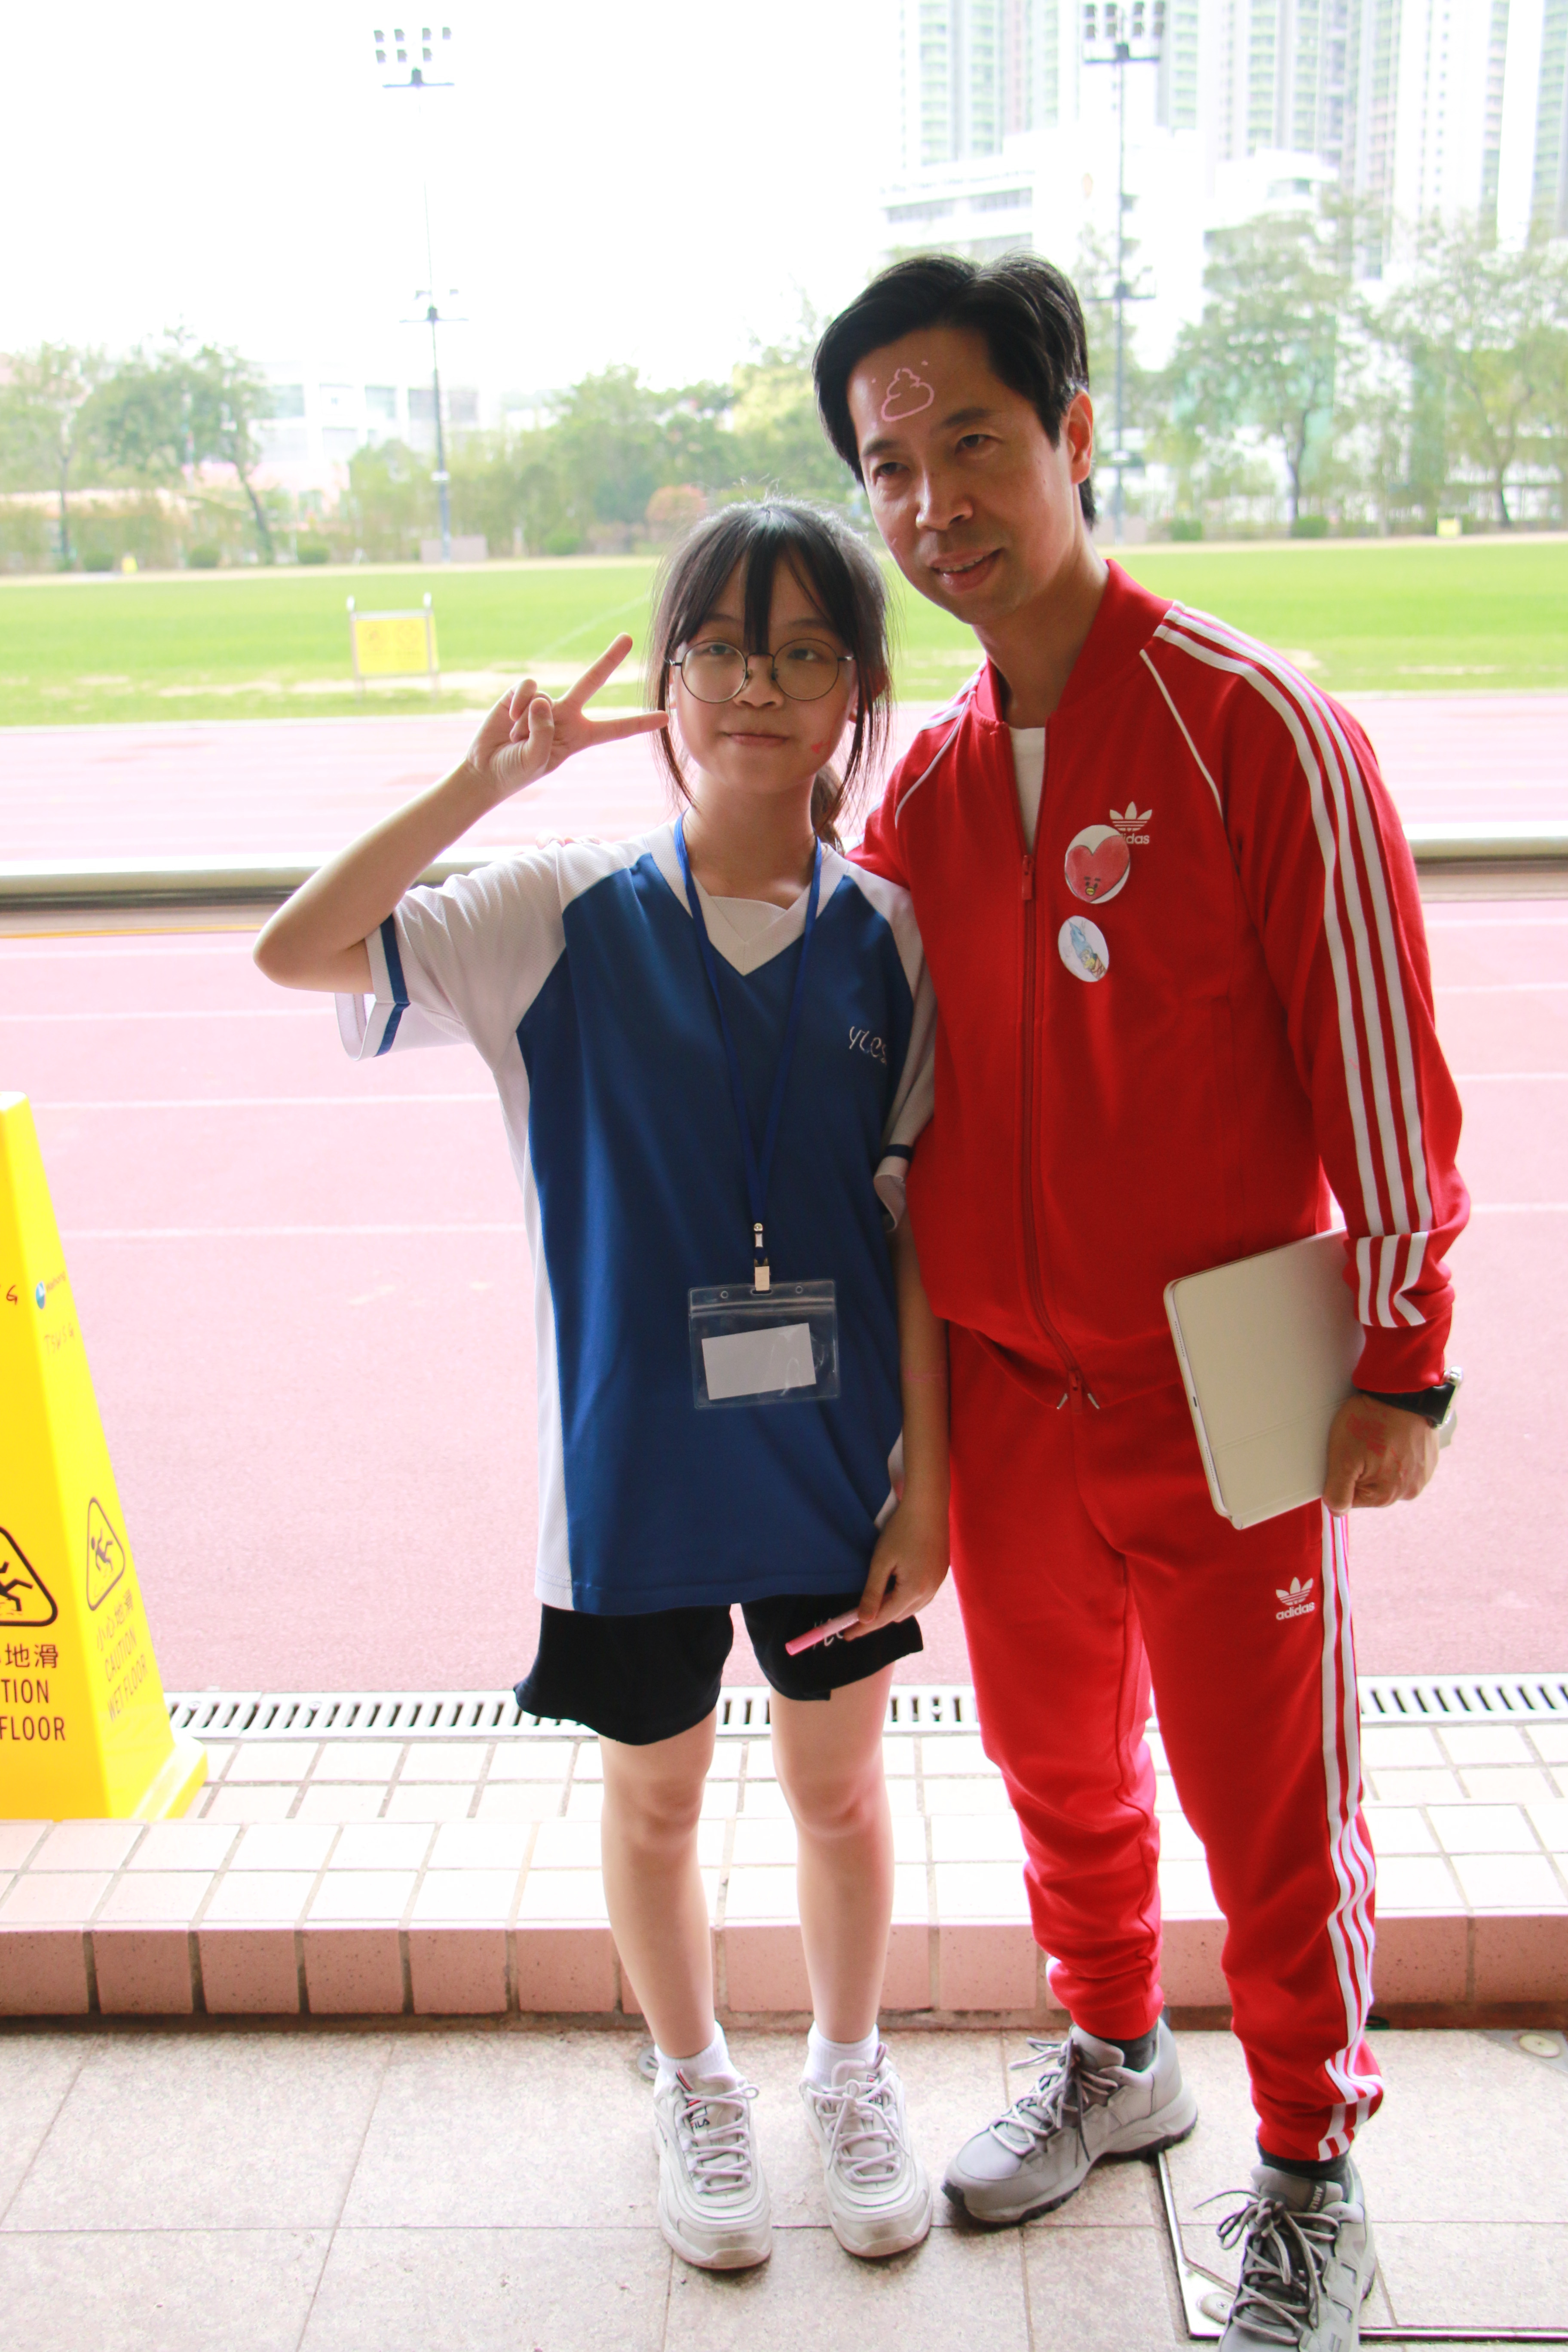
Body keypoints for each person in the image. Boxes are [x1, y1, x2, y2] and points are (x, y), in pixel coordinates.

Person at [812, 257, 1467, 2351]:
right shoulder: (920, 791)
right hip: (1008, 1388)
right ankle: (1115, 2056)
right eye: (890, 468)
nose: (934, 505)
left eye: (973, 444)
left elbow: (1379, 1054)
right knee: (1059, 1772)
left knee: (1272, 1809)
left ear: (1075, 434)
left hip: (1234, 1376)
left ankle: (1311, 2170)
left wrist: (1406, 1358)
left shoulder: (1250, 721)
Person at [252, 500, 950, 2273]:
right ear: (670, 676)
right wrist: (480, 782)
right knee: (656, 1798)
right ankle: (695, 2082)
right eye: (719, 647)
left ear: (856, 691)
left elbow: (919, 1239)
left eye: (803, 651)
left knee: (841, 1793)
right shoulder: (549, 909)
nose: (756, 686)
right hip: (633, 1471)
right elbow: (301, 951)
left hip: (837, 1474)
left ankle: (849, 2070)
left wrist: (931, 1487)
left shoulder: (892, 936)